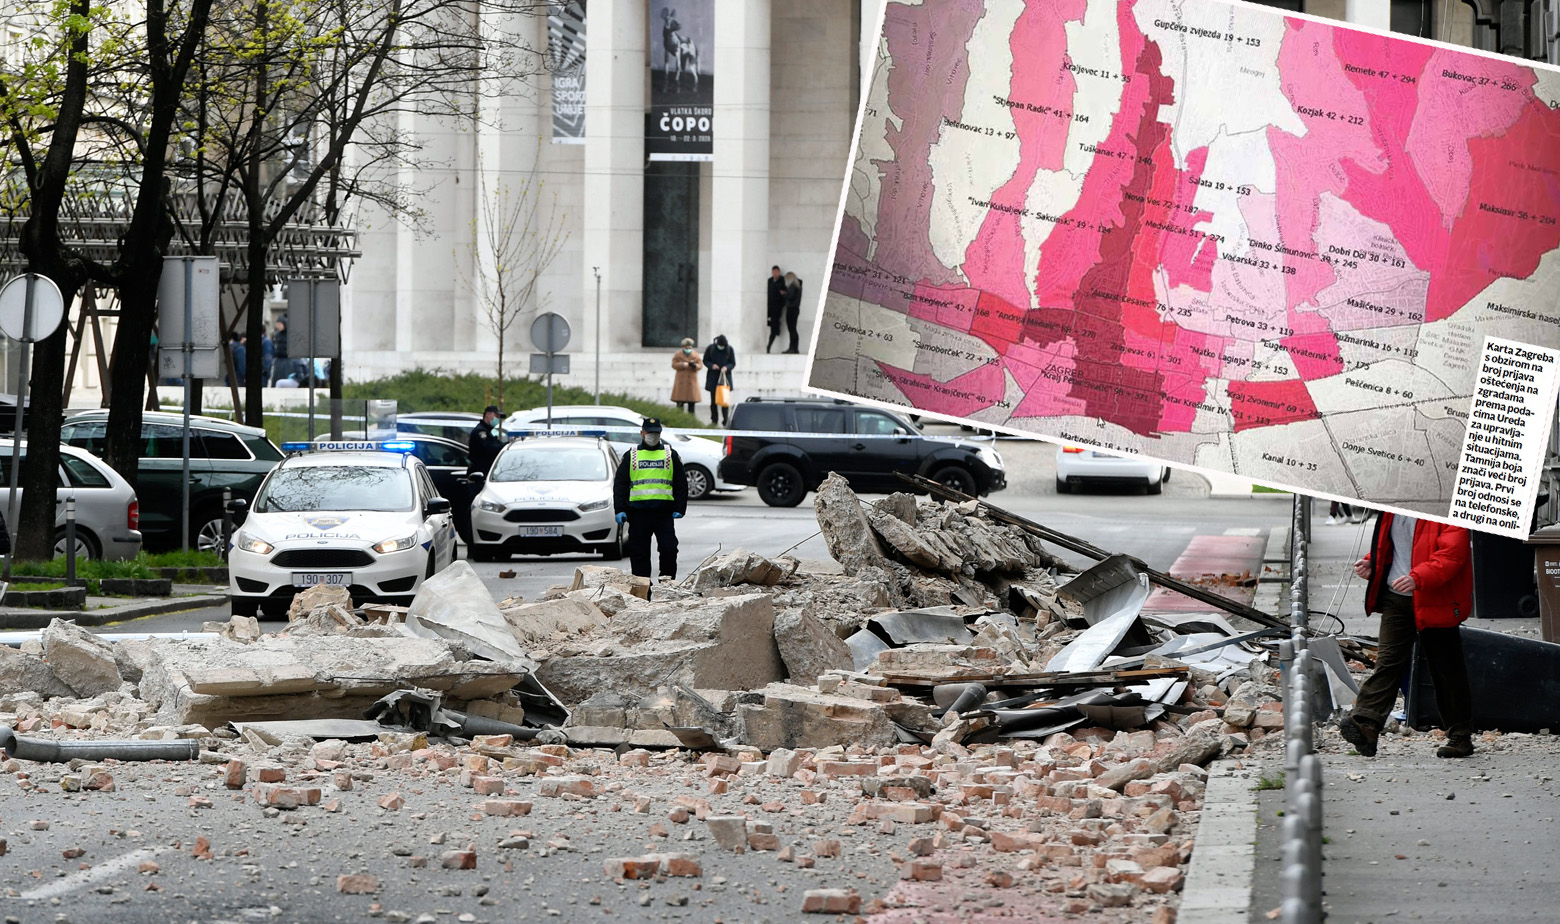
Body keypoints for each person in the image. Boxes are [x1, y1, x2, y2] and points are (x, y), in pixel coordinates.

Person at [1338, 513, 1475, 759]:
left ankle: (1460, 736)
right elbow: (1393, 548)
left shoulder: (1448, 509)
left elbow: (1452, 555)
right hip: (1397, 598)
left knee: (1446, 670)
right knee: (1388, 662)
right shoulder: (1394, 506)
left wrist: (1418, 577)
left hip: (1436, 599)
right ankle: (1366, 725)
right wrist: (1374, 562)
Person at [612, 418, 688, 587]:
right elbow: (620, 484)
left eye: (656, 433)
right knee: (639, 553)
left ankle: (667, 585)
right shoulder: (632, 455)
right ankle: (643, 588)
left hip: (663, 513)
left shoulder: (670, 454)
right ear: (642, 433)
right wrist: (620, 509)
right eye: (649, 432)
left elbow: (681, 482)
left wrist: (680, 507)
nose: (652, 436)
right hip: (638, 514)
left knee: (669, 549)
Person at [703, 333, 736, 426]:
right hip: (713, 378)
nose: (721, 347)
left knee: (724, 401)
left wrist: (727, 367)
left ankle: (725, 420)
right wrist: (712, 365)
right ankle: (714, 420)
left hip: (725, 379)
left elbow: (733, 363)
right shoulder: (711, 348)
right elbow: (705, 360)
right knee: (713, 401)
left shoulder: (729, 349)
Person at [467, 405, 505, 477]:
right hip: (479, 473)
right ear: (488, 414)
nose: (497, 419)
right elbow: (491, 449)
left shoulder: (487, 431)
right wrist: (506, 445)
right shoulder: (480, 432)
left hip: (485, 471)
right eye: (496, 416)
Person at [670, 338, 702, 414]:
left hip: (691, 381)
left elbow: (700, 365)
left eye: (689, 348)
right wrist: (681, 364)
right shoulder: (678, 354)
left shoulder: (696, 355)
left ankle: (691, 421)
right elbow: (674, 365)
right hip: (681, 381)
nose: (688, 349)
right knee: (680, 404)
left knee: (691, 405)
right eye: (686, 348)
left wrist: (694, 365)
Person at [782, 271, 803, 353]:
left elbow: (790, 296)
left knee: (792, 329)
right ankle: (795, 348)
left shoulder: (792, 286)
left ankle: (792, 348)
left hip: (791, 309)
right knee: (793, 329)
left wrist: (784, 294)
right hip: (795, 309)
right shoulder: (798, 286)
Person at [767, 265, 786, 353]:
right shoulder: (769, 281)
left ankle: (769, 346)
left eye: (776, 272)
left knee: (774, 326)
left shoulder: (783, 281)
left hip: (777, 307)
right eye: (773, 272)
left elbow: (785, 293)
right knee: (772, 324)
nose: (774, 274)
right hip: (769, 308)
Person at [271, 318, 289, 386]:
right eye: (277, 325)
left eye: (280, 324)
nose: (278, 326)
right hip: (278, 360)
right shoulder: (277, 335)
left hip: (287, 360)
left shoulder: (289, 335)